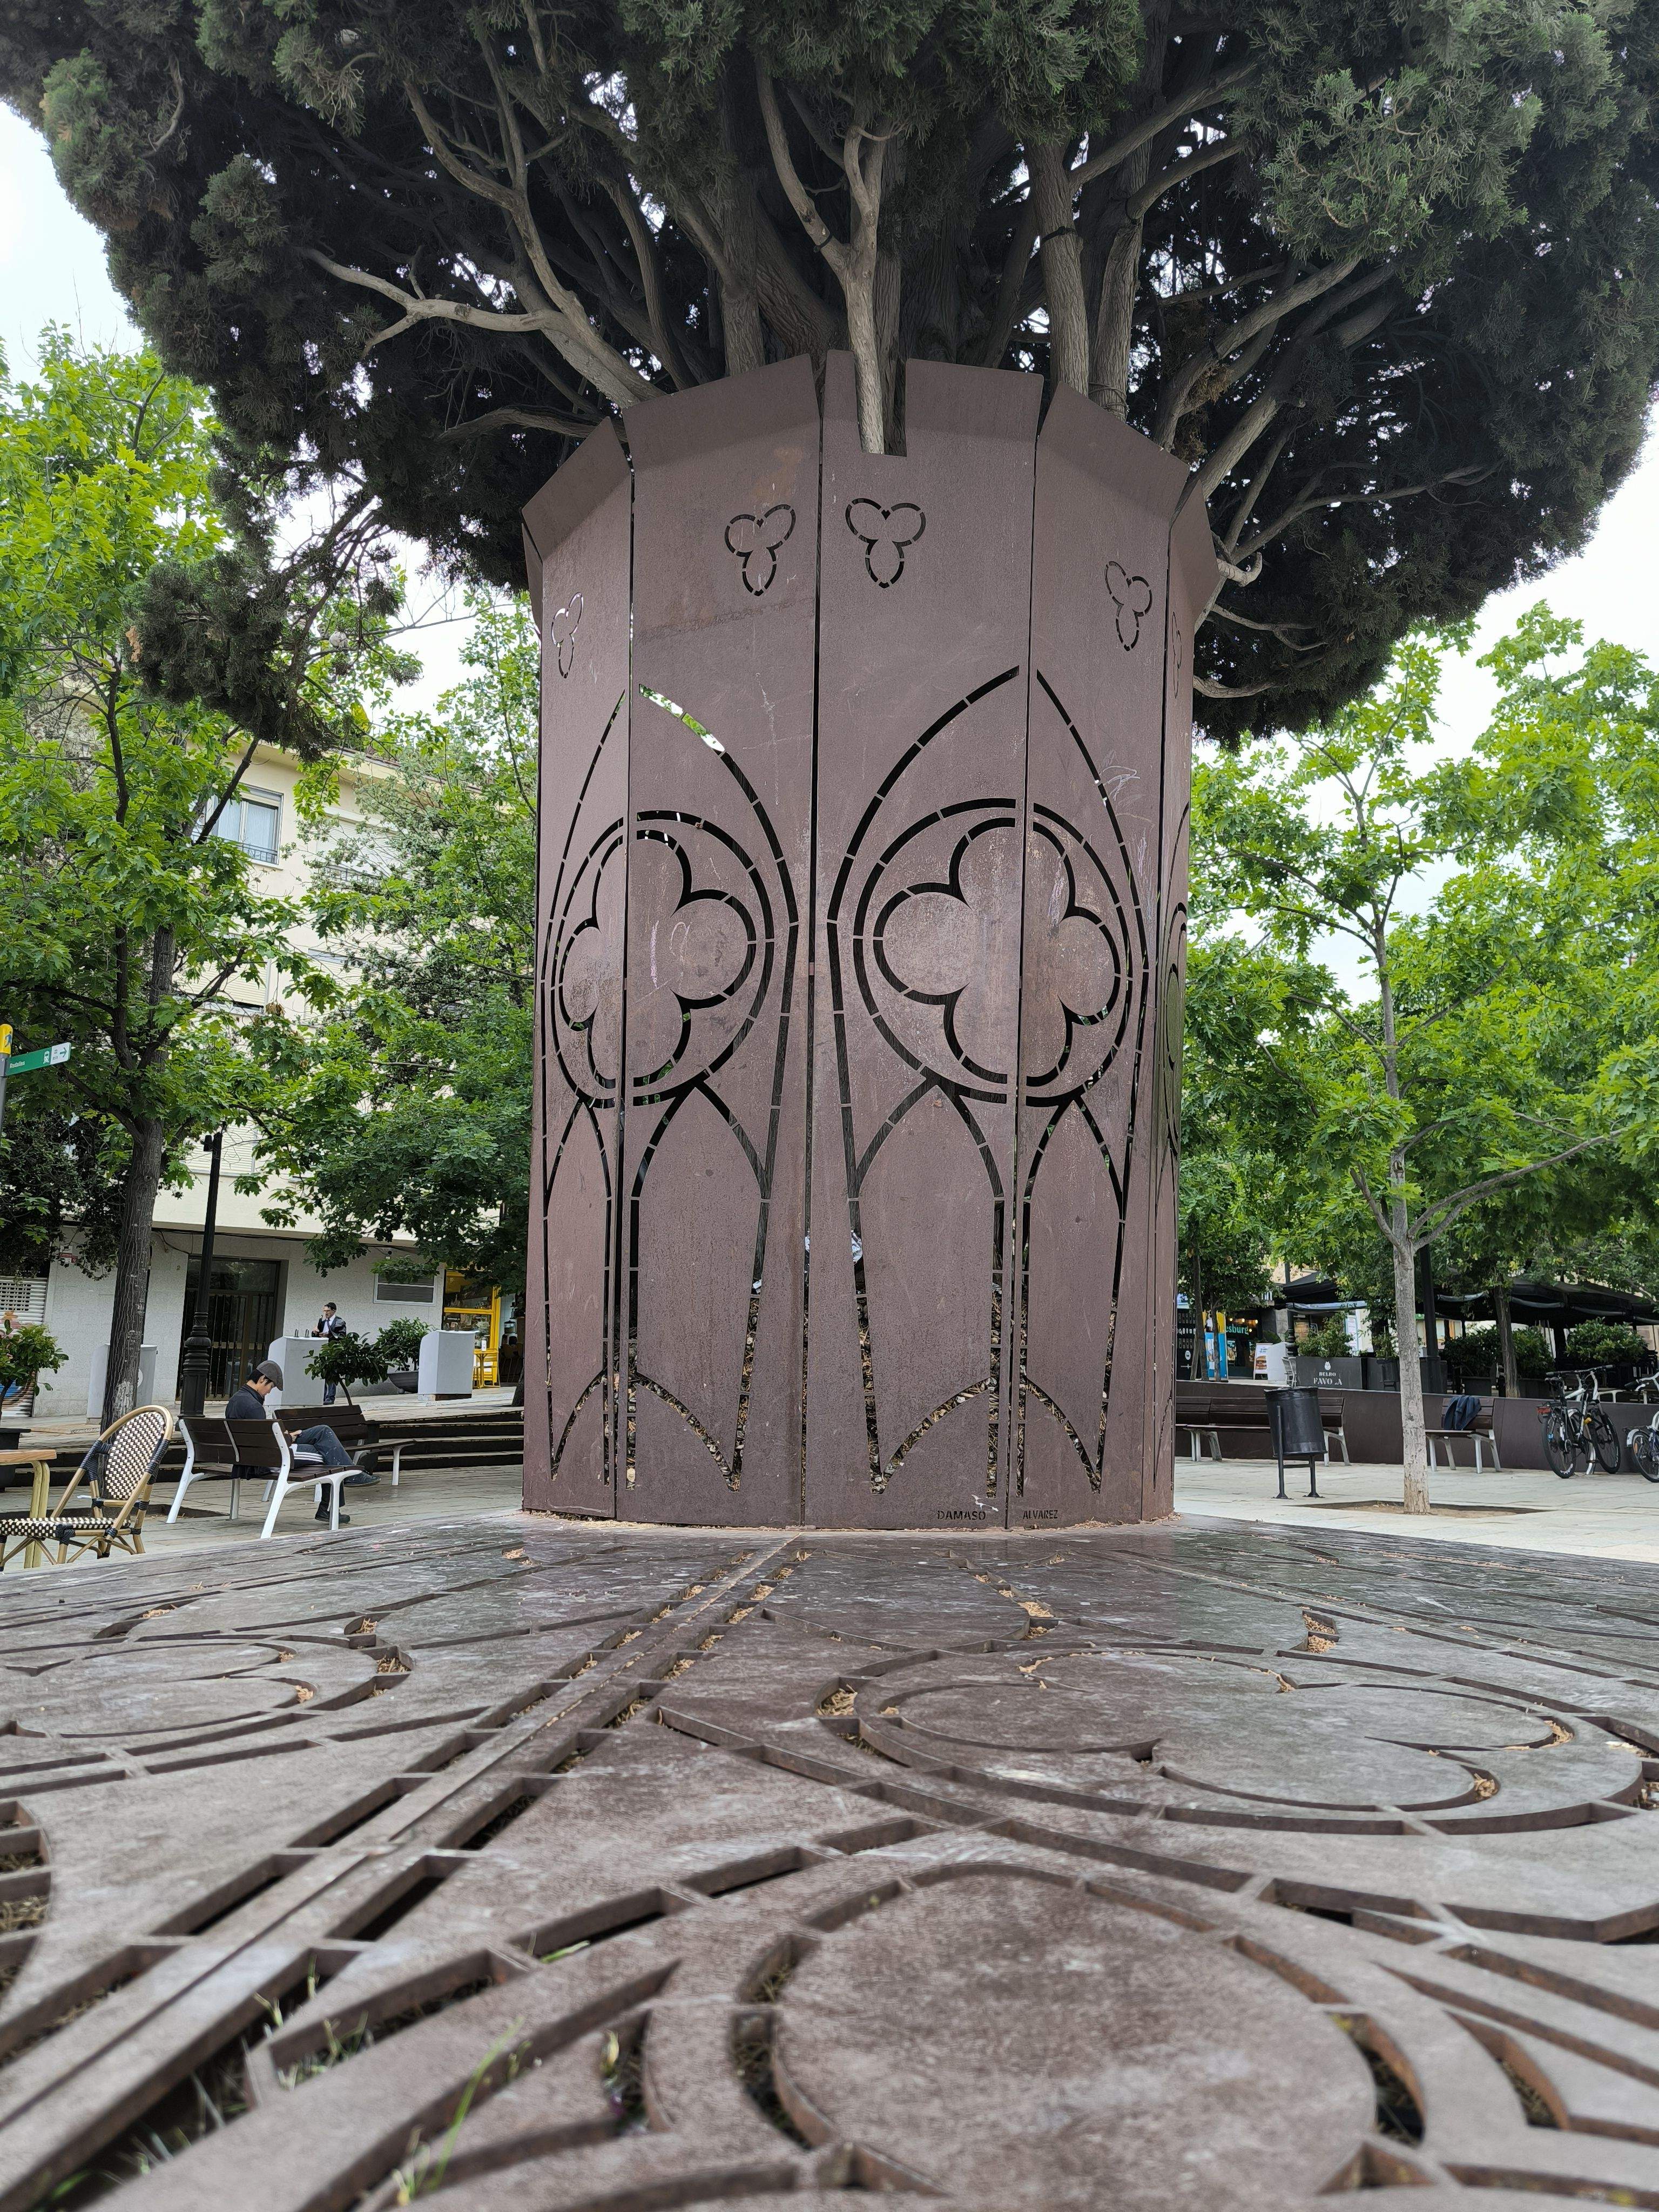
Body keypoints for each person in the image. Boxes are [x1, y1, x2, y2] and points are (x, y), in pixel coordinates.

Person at [224, 1360, 372, 1523]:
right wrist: (288, 1439)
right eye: (271, 1387)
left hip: (254, 1457)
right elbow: (266, 1446)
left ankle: (349, 1477)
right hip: (270, 1460)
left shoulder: (236, 1400)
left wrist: (287, 1436)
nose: (269, 1392)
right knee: (328, 1453)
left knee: (323, 1432)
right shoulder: (254, 1407)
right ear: (262, 1379)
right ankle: (335, 1499)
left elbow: (258, 1438)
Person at [312, 1300, 347, 1404]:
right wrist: (315, 1333)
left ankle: (330, 1397)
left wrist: (329, 1336)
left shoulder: (340, 1322)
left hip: (333, 1351)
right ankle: (322, 1397)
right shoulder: (322, 1322)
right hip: (323, 1351)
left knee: (333, 1374)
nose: (326, 1313)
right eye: (324, 1311)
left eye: (328, 1311)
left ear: (334, 1311)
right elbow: (316, 1336)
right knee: (323, 1373)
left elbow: (342, 1336)